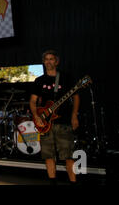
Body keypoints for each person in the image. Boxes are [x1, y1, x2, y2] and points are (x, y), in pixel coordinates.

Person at [29, 50, 80, 185]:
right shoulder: (39, 81)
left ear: (56, 61)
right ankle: (52, 182)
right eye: (46, 59)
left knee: (68, 156)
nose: (48, 62)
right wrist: (36, 116)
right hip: (46, 124)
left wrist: (74, 116)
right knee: (48, 156)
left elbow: (76, 97)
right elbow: (33, 101)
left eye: (51, 59)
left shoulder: (66, 78)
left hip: (63, 122)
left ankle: (73, 182)